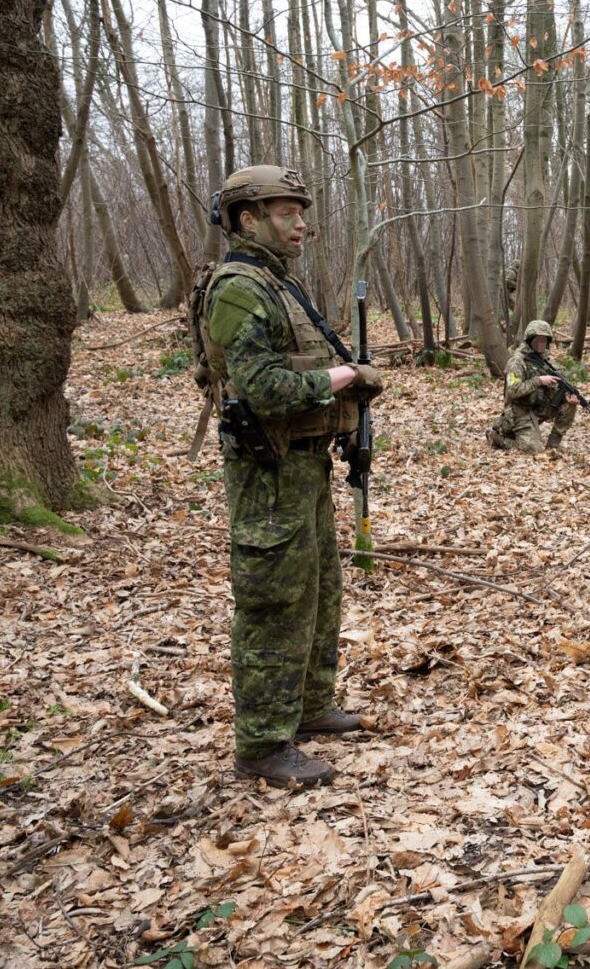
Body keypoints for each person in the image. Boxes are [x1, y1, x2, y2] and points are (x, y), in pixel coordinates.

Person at [195, 165, 383, 787]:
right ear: (248, 220)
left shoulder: (280, 285)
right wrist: (344, 377)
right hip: (267, 472)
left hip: (304, 466)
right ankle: (262, 743)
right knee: (274, 602)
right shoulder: (240, 289)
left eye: (301, 211)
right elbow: (264, 388)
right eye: (286, 212)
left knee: (320, 590)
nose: (301, 223)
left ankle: (307, 708)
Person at [486, 319, 578, 454]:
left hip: (538, 407)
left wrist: (565, 397)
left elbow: (554, 388)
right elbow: (513, 391)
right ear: (529, 340)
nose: (542, 343)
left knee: (569, 405)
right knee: (533, 449)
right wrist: (538, 381)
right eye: (538, 339)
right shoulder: (517, 362)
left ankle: (553, 445)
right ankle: (495, 437)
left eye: (545, 339)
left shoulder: (545, 362)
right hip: (519, 411)